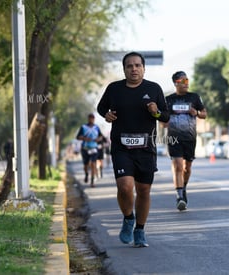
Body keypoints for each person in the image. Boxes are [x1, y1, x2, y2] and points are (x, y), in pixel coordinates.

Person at [97, 51, 169, 247]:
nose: (134, 69)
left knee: (144, 190)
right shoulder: (114, 89)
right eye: (130, 66)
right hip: (121, 147)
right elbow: (101, 108)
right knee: (125, 187)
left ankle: (140, 229)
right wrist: (107, 115)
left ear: (144, 68)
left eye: (137, 65)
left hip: (146, 149)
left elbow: (165, 117)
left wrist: (156, 112)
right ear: (124, 69)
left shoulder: (154, 89)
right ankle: (128, 218)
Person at [165, 71, 207, 211]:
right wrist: (164, 122)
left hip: (189, 138)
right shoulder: (169, 100)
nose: (186, 84)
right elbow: (163, 119)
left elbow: (204, 114)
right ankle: (179, 196)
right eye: (183, 81)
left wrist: (197, 113)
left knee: (187, 168)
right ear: (176, 83)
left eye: (187, 81)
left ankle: (183, 188)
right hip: (174, 137)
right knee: (177, 166)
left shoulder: (194, 97)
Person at [76, 113, 103, 187]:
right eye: (90, 118)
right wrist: (85, 138)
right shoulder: (83, 127)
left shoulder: (96, 127)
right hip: (85, 148)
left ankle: (92, 181)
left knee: (93, 164)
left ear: (94, 119)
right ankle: (86, 174)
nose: (91, 119)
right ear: (88, 119)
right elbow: (78, 137)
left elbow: (101, 136)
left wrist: (98, 139)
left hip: (94, 148)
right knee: (86, 165)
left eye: (93, 118)